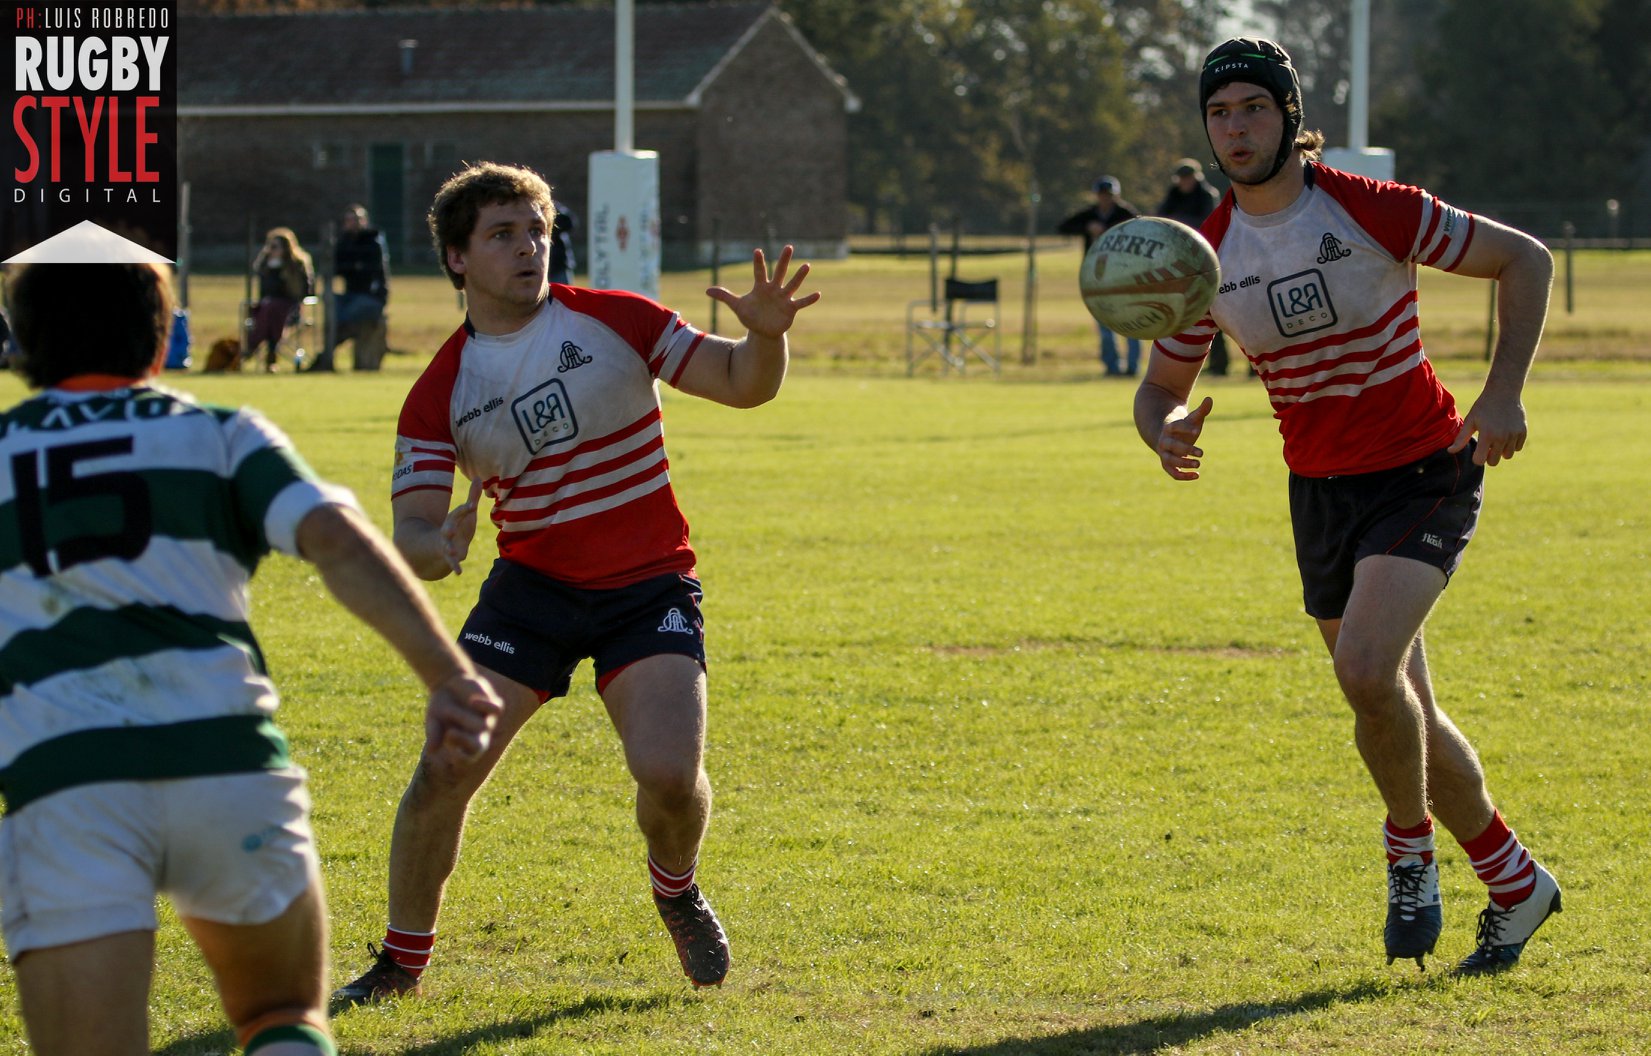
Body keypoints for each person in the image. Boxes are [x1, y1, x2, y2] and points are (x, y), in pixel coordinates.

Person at [332, 161, 820, 1006]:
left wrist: (767, 336)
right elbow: (410, 530)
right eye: (503, 235)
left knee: (668, 774)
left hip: (648, 586)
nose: (529, 248)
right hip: (531, 592)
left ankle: (676, 888)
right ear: (457, 259)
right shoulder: (439, 391)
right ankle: (400, 963)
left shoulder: (615, 319)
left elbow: (742, 385)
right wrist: (435, 544)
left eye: (538, 231)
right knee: (445, 765)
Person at [1135, 38, 1561, 975]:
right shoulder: (1203, 255)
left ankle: (1407, 856)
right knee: (1402, 707)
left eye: (1251, 107)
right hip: (1319, 492)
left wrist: (1503, 394)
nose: (1234, 128)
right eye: (1218, 113)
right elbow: (1157, 385)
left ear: (1288, 115)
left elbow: (1524, 260)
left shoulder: (1366, 206)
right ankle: (1516, 880)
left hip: (1424, 468)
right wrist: (1163, 425)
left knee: (1367, 674)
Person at [0, 261, 503, 1056]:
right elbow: (335, 539)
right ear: (162, 340)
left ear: (21, 343)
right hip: (227, 769)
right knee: (281, 1019)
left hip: (67, 788)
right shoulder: (222, 435)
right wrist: (445, 674)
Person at [1058, 175, 1143, 376]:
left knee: (1131, 322)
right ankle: (1112, 367)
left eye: (1109, 195)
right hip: (1097, 276)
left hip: (1125, 275)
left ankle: (1132, 367)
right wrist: (1087, 229)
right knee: (1104, 324)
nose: (1105, 199)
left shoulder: (1126, 213)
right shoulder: (1089, 214)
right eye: (1102, 195)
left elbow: (1142, 231)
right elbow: (1063, 226)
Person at [1155, 158, 1233, 376]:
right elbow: (1161, 218)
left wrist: (1178, 220)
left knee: (1221, 313)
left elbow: (1206, 223)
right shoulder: (1173, 195)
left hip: (1208, 261)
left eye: (1187, 178)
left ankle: (1231, 365)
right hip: (1183, 263)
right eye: (1181, 179)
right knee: (1201, 316)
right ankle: (1217, 365)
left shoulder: (1207, 195)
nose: (1184, 183)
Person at [311, 204, 390, 373]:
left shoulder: (373, 242)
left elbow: (368, 270)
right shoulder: (344, 242)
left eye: (356, 219)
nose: (351, 223)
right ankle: (325, 359)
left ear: (364, 221)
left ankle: (324, 357)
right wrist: (353, 266)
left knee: (344, 316)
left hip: (371, 297)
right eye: (348, 220)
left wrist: (352, 266)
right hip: (350, 295)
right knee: (333, 308)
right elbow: (335, 267)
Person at [247, 227, 315, 372]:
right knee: (268, 308)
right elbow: (265, 292)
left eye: (275, 246)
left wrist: (285, 272)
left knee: (272, 308)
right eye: (270, 246)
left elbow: (304, 291)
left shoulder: (297, 265)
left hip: (290, 308)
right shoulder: (265, 266)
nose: (271, 250)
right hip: (268, 308)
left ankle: (252, 347)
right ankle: (270, 354)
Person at [549, 198, 578, 285]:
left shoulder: (552, 207)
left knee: (564, 296)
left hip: (559, 264)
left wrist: (552, 227)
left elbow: (569, 222)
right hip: (542, 266)